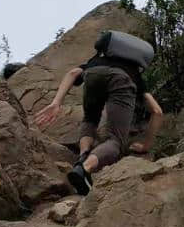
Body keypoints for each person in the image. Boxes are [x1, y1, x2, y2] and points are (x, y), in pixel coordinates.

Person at [35, 42, 163, 195]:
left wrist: (56, 103)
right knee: (116, 141)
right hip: (122, 80)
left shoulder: (97, 60)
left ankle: (82, 158)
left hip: (92, 74)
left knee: (90, 119)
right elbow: (157, 111)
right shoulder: (133, 71)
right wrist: (145, 146)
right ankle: (85, 169)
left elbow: (72, 73)